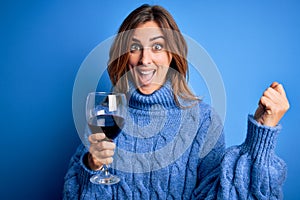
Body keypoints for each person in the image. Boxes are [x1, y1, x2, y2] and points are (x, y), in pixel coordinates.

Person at [63, 4, 290, 199]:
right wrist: (92, 166)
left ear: (172, 55)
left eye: (157, 47)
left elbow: (219, 194)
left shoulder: (204, 120)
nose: (145, 59)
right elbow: (72, 195)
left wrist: (261, 135)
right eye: (134, 48)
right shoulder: (107, 113)